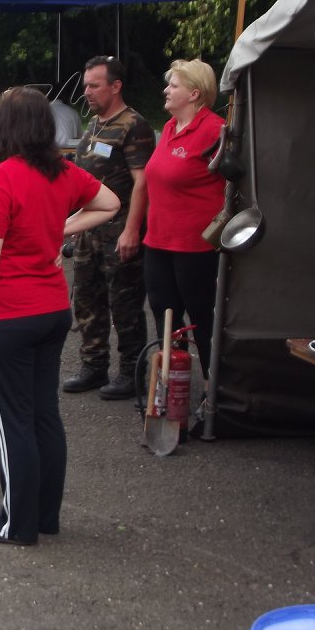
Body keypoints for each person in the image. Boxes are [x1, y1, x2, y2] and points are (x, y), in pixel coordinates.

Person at [0, 87, 119, 545]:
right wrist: (61, 228)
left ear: (6, 127)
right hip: (52, 310)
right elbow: (110, 203)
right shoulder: (64, 171)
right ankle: (43, 516)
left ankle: (13, 524)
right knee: (44, 416)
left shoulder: (1, 178)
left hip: (7, 315)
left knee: (12, 422)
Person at [63, 56, 156, 400]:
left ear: (115, 86)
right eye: (85, 85)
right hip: (90, 231)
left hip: (119, 231)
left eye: (94, 85)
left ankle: (131, 371)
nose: (87, 91)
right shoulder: (94, 124)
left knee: (125, 303)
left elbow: (142, 182)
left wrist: (132, 231)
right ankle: (94, 365)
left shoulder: (133, 124)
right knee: (87, 299)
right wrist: (74, 223)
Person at [143, 59, 226, 382]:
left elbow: (238, 185)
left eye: (173, 85)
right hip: (158, 241)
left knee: (202, 318)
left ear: (194, 94)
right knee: (164, 316)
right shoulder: (169, 127)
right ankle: (169, 387)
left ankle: (213, 390)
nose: (166, 90)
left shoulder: (215, 130)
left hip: (195, 246)